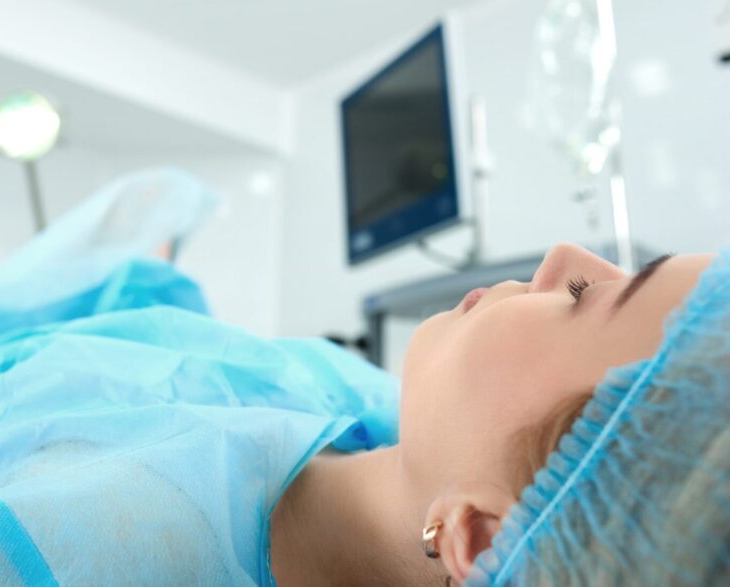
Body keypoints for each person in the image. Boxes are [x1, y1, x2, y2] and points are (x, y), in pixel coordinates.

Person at [269, 243, 713, 586]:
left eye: (583, 296)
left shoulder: (197, 543)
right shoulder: (351, 396)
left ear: (484, 544)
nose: (562, 256)